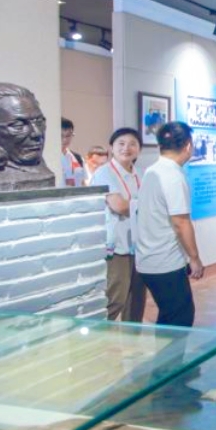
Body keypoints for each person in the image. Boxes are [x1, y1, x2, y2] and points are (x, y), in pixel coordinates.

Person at [136, 122, 205, 327]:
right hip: (165, 260)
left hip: (148, 257)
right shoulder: (174, 176)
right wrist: (194, 258)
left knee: (169, 317)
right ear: (188, 145)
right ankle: (171, 351)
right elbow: (180, 222)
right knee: (180, 319)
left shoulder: (152, 170)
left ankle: (164, 350)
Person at [92, 128, 146, 322]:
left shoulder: (140, 174)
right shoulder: (104, 173)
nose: (126, 148)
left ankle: (132, 338)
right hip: (116, 246)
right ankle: (100, 336)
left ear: (139, 149)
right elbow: (120, 206)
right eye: (121, 144)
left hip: (139, 246)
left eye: (132, 144)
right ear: (111, 148)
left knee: (136, 300)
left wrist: (139, 206)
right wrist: (146, 205)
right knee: (116, 298)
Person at [60, 117, 86, 187]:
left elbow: (83, 183)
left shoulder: (78, 158)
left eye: (68, 136)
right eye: (61, 136)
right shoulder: (50, 158)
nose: (65, 140)